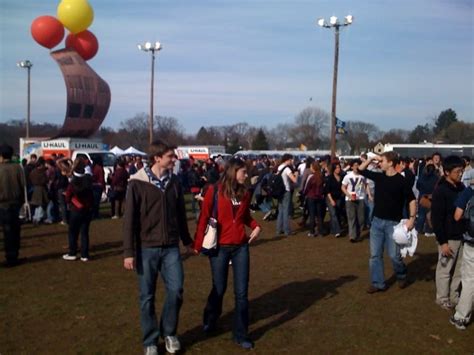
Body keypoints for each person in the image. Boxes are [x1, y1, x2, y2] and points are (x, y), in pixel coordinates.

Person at [123, 140, 194, 355]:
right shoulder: (137, 183)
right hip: (146, 248)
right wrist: (129, 252)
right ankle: (150, 341)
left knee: (176, 290)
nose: (174, 159)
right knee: (147, 297)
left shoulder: (174, 183)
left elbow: (181, 215)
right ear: (157, 158)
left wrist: (187, 240)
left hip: (171, 246)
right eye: (171, 156)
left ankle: (169, 332)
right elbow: (129, 220)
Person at [193, 157, 261, 350]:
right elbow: (204, 217)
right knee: (219, 288)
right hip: (219, 247)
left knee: (241, 293)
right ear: (233, 172)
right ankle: (210, 319)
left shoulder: (245, 193)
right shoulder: (214, 191)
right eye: (243, 172)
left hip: (241, 247)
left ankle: (241, 334)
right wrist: (198, 244)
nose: (246, 175)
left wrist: (255, 226)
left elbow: (246, 216)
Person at [358, 152, 416, 293]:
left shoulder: (402, 181)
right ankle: (378, 283)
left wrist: (412, 219)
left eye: (382, 161)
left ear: (390, 163)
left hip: (393, 224)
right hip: (377, 222)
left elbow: (411, 200)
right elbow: (360, 169)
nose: (379, 163)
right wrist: (371, 158)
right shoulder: (379, 177)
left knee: (394, 256)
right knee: (375, 255)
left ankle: (401, 274)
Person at [431, 155, 466, 310]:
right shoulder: (441, 191)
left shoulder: (462, 188)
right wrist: (443, 242)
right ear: (447, 172)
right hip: (448, 237)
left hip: (462, 235)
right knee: (445, 269)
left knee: (459, 269)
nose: (460, 174)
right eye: (457, 171)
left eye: (462, 171)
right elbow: (436, 219)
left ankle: (454, 295)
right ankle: (442, 297)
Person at [449, 186, 473, 330]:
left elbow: (457, 215)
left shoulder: (469, 191)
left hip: (471, 242)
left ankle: (461, 317)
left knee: (469, 280)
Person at [62, 160, 94, 261]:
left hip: (75, 210)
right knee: (84, 232)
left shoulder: (72, 184)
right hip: (86, 210)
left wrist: (69, 199)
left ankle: (72, 252)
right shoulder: (88, 181)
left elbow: (67, 198)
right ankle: (85, 255)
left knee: (73, 232)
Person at [0, 144, 25, 266]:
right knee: (15, 231)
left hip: (3, 204)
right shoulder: (18, 168)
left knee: (7, 231)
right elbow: (23, 186)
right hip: (16, 203)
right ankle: (14, 255)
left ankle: (10, 257)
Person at [341, 159, 367, 243]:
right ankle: (352, 236)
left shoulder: (363, 176)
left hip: (360, 198)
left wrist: (369, 195)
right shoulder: (348, 176)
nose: (356, 167)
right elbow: (343, 187)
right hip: (350, 199)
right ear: (351, 167)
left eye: (358, 165)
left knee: (361, 218)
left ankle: (358, 234)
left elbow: (366, 185)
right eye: (354, 165)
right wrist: (349, 195)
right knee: (352, 217)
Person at [276, 154, 298, 236]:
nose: (292, 161)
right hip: (286, 190)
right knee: (286, 211)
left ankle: (279, 229)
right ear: (287, 160)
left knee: (281, 210)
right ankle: (287, 230)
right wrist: (296, 173)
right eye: (291, 160)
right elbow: (294, 180)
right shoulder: (287, 169)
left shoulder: (279, 167)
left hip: (280, 191)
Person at [304, 161, 325, 237]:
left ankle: (312, 231)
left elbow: (307, 187)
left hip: (311, 197)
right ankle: (320, 231)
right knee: (319, 215)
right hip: (319, 197)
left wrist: (305, 193)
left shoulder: (311, 177)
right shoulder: (321, 176)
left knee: (312, 214)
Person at [325, 163, 344, 237]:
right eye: (336, 168)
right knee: (333, 214)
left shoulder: (342, 177)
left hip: (339, 198)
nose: (338, 169)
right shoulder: (329, 178)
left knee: (337, 213)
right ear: (333, 169)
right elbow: (327, 190)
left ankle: (333, 229)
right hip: (330, 197)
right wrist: (331, 200)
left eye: (339, 168)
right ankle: (337, 231)